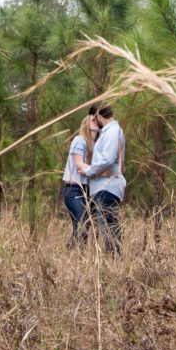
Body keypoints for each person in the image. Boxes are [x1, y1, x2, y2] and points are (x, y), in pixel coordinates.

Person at [77, 103, 125, 255]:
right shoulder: (109, 132)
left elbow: (107, 160)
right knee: (108, 226)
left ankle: (114, 260)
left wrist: (90, 171)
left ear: (98, 115)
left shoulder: (112, 131)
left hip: (107, 187)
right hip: (104, 187)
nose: (93, 121)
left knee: (108, 227)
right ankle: (114, 259)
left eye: (93, 117)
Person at [61, 105, 99, 248]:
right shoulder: (80, 140)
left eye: (98, 120)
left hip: (88, 190)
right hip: (73, 190)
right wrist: (100, 170)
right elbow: (79, 165)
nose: (96, 121)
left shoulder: (96, 145)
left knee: (82, 227)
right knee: (82, 225)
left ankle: (70, 255)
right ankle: (75, 257)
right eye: (93, 119)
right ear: (86, 122)